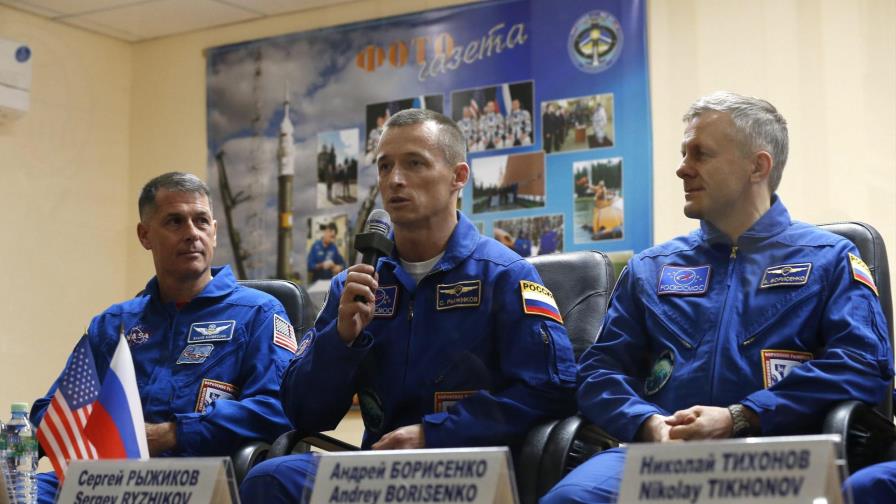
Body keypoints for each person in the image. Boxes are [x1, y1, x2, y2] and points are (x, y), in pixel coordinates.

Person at [541, 91, 893, 503]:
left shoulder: (830, 259)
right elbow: (599, 374)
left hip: (777, 448)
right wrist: (648, 424)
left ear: (757, 166)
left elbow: (862, 364)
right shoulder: (652, 268)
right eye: (683, 153)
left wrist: (742, 416)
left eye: (700, 154)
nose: (681, 169)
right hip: (660, 455)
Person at [241, 109, 577, 502]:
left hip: (471, 472)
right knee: (271, 478)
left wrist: (437, 433)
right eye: (385, 167)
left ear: (459, 178)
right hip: (381, 477)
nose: (394, 180)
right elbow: (304, 414)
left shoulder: (504, 275)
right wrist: (341, 340)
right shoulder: (355, 284)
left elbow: (551, 390)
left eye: (414, 163)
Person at [31, 172, 296, 503]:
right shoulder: (115, 323)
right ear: (145, 235)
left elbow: (278, 408)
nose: (191, 233)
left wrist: (174, 433)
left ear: (214, 232)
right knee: (17, 490)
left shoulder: (258, 313)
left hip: (194, 476)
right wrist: (89, 432)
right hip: (103, 475)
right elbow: (52, 410)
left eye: (201, 222)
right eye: (175, 222)